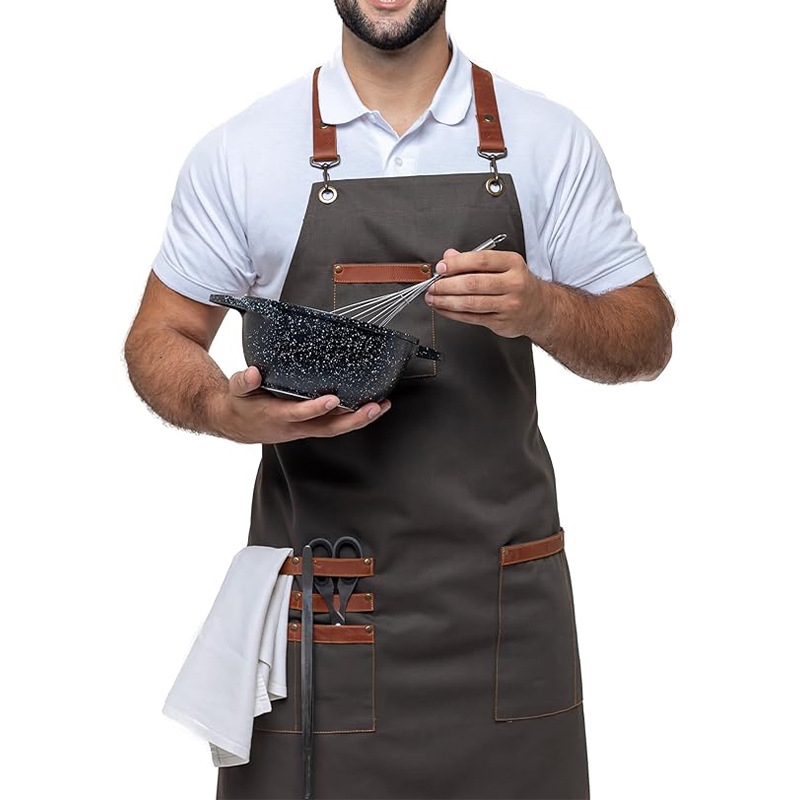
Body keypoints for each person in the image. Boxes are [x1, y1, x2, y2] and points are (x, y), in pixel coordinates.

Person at [124, 1, 675, 797]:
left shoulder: (546, 140)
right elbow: (160, 335)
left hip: (504, 619)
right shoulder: (244, 152)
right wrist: (222, 410)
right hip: (327, 614)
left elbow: (647, 337)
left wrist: (545, 308)